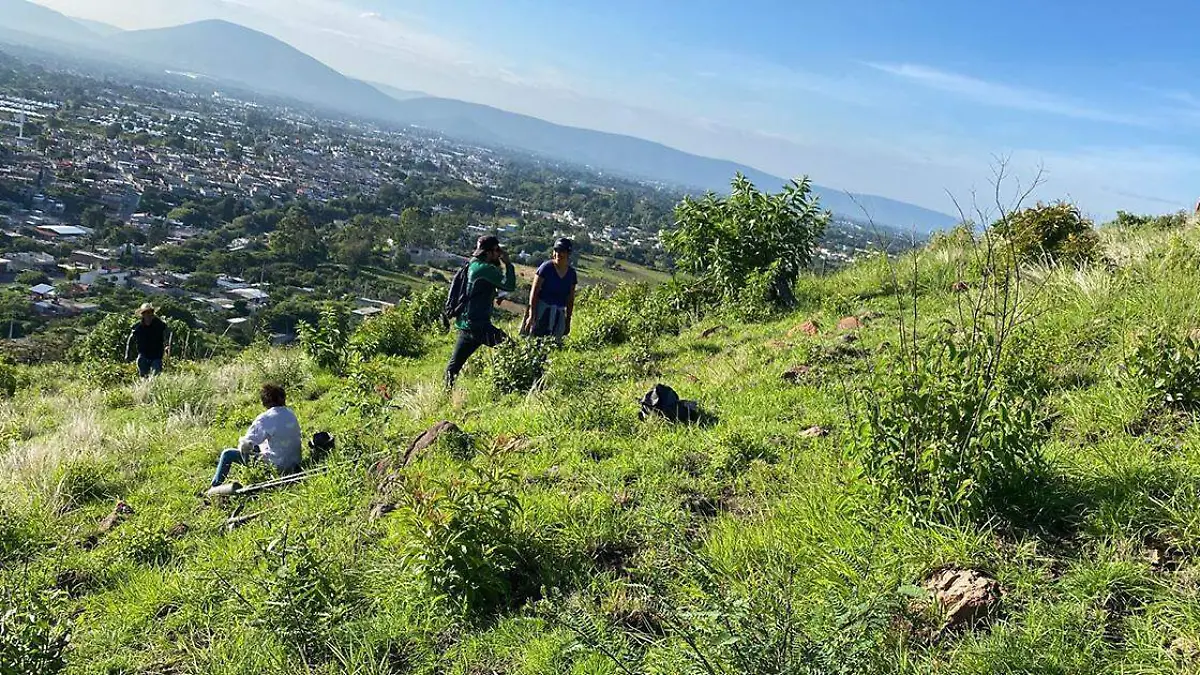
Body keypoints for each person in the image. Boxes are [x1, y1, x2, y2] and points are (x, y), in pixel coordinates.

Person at [444, 235, 516, 387]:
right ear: (489, 253)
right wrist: (508, 264)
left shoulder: (472, 264)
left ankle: (445, 393)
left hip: (466, 323)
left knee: (454, 366)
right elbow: (509, 285)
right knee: (510, 348)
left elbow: (478, 289)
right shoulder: (486, 269)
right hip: (479, 326)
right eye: (497, 250)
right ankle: (510, 382)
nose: (499, 253)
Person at [208, 383, 302, 494]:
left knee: (227, 454)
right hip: (294, 462)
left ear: (265, 401)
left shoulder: (265, 418)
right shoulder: (291, 413)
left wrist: (244, 449)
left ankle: (213, 489)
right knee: (260, 446)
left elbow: (245, 445)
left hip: (277, 466)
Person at [522, 237, 578, 339]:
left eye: (562, 251)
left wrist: (567, 320)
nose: (558, 254)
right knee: (535, 339)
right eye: (556, 250)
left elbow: (570, 299)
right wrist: (532, 315)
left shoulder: (571, 274)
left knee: (553, 344)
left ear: (568, 254)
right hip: (542, 311)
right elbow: (534, 292)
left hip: (558, 313)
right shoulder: (546, 268)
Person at [125, 303, 171, 378]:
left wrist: (167, 345)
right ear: (143, 315)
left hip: (157, 356)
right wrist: (127, 354)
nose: (149, 315)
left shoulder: (159, 324)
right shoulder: (138, 327)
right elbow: (131, 340)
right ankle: (145, 388)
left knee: (155, 378)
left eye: (150, 313)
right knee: (144, 378)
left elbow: (166, 333)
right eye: (146, 313)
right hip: (143, 355)